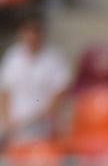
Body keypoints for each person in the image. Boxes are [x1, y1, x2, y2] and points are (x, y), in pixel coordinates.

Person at [0, 15, 70, 144]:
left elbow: (58, 98)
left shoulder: (54, 59)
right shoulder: (12, 56)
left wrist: (27, 123)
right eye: (28, 32)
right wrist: (7, 120)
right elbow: (5, 91)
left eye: (35, 32)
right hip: (13, 124)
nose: (31, 36)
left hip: (41, 126)